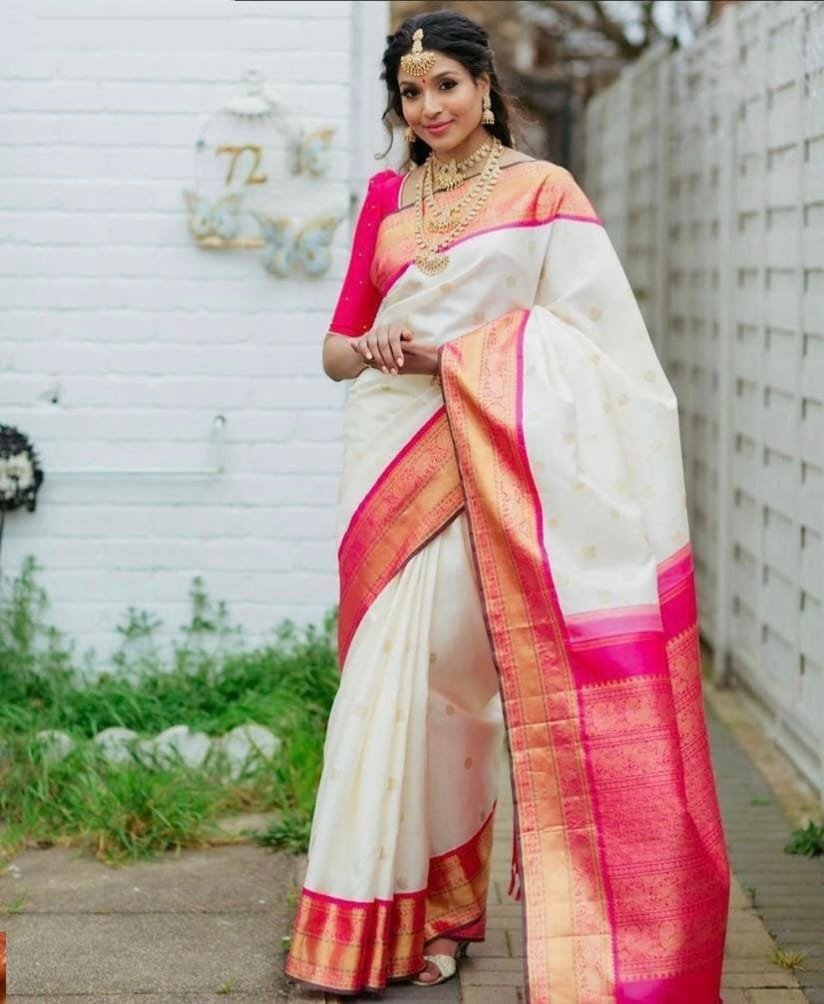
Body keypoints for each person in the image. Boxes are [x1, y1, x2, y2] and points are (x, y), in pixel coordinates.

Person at [284, 10, 731, 1002]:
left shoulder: (543, 192)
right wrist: (377, 348)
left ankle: (461, 916)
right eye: (410, 92)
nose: (429, 107)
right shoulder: (386, 198)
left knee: (465, 692)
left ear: (485, 87)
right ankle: (398, 923)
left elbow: (601, 350)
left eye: (445, 84)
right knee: (390, 688)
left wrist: (455, 358)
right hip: (389, 457)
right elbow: (334, 349)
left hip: (493, 452)